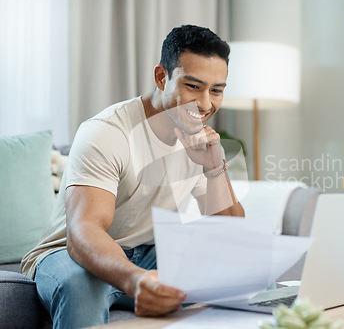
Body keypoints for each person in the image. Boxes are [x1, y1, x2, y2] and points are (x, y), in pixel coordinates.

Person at [21, 24, 244, 328]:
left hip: (149, 252)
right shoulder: (108, 132)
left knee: (240, 271)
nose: (205, 104)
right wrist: (136, 279)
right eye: (193, 86)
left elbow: (230, 234)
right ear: (161, 77)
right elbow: (84, 231)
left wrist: (214, 169)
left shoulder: (199, 139)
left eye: (216, 90)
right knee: (81, 287)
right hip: (70, 252)